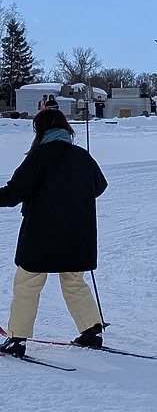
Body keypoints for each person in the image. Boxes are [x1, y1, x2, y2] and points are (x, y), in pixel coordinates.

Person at [0, 109, 108, 357]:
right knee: (74, 282)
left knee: (27, 284)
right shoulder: (82, 155)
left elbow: (14, 193)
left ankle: (17, 339)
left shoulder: (40, 156)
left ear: (41, 130)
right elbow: (100, 186)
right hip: (78, 234)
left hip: (42, 235)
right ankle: (92, 331)